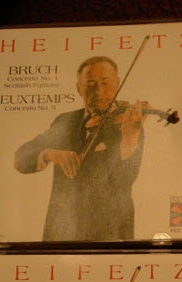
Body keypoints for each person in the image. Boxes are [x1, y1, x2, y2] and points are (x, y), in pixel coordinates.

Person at [14, 56, 148, 241]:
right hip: (61, 234)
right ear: (79, 88)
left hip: (109, 235)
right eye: (90, 84)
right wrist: (51, 154)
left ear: (118, 83)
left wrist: (129, 135)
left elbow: (124, 179)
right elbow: (21, 158)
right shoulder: (66, 121)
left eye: (105, 82)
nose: (98, 91)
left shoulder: (127, 123)